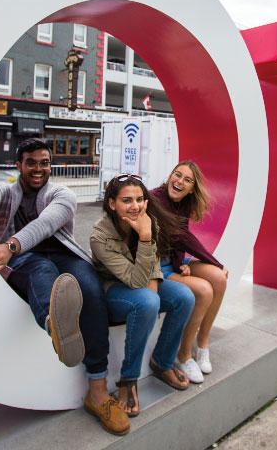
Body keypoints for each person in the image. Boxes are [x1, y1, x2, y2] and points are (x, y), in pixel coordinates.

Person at [0, 138, 129, 436]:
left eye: (44, 162)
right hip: (27, 261)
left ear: (50, 165)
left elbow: (46, 224)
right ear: (18, 165)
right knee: (40, 270)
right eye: (31, 162)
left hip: (62, 256)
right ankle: (55, 324)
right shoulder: (9, 191)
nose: (38, 168)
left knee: (91, 288)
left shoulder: (62, 194)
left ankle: (98, 392)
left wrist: (10, 245)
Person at [90, 175, 195, 417]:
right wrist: (146, 237)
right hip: (114, 289)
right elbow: (134, 280)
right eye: (127, 200)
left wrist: (147, 235)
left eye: (140, 199)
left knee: (184, 296)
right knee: (147, 300)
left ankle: (162, 362)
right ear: (111, 203)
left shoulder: (148, 222)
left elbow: (154, 267)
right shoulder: (100, 236)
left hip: (141, 280)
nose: (135, 206)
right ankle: (128, 378)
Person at [152, 161, 228, 384]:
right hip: (156, 267)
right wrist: (214, 260)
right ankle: (183, 355)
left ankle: (202, 345)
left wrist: (181, 264)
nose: (180, 182)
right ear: (170, 176)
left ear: (192, 188)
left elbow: (178, 239)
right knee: (204, 290)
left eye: (187, 180)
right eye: (177, 175)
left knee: (218, 278)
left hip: (174, 260)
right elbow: (182, 237)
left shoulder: (183, 204)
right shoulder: (155, 199)